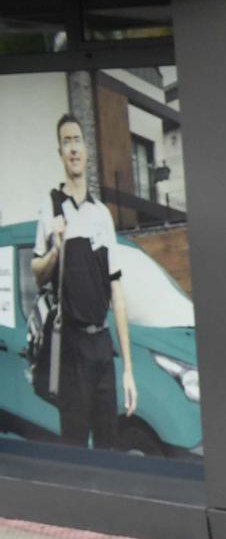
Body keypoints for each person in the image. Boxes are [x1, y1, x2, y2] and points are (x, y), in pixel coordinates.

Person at [31, 112, 134, 447]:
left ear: (86, 149)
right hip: (71, 345)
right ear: (60, 153)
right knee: (74, 445)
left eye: (77, 140)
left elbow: (116, 290)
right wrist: (56, 248)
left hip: (102, 345)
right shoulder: (51, 206)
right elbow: (37, 271)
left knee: (109, 445)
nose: (73, 148)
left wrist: (129, 370)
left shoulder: (102, 214)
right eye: (66, 142)